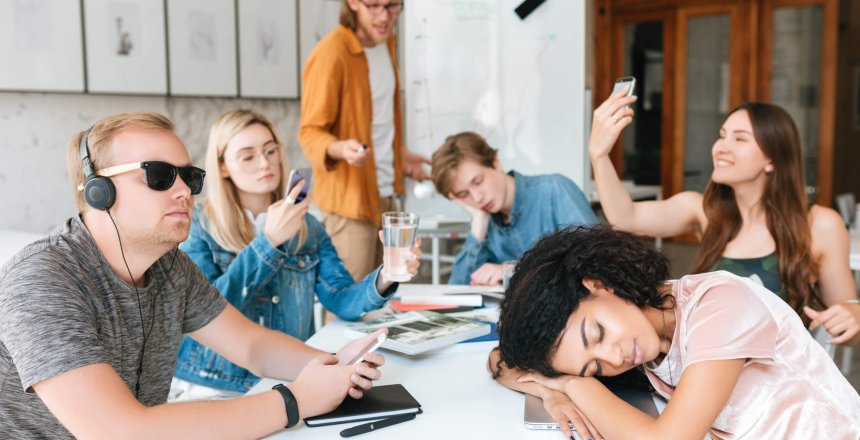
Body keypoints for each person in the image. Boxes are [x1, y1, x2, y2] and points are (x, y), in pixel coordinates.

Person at [0, 112, 386, 439]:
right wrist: (296, 400)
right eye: (159, 175)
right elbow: (118, 431)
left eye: (189, 176)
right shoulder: (42, 278)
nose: (184, 190)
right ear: (98, 191)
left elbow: (252, 346)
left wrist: (338, 365)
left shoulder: (170, 267)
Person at [492, 225, 860, 439]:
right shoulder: (645, 338)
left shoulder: (721, 303)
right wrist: (549, 390)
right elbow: (501, 360)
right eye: (593, 368)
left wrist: (574, 384)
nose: (612, 358)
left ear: (599, 284)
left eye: (598, 334)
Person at [172, 109, 421, 398]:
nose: (264, 163)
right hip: (213, 381)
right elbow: (206, 312)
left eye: (270, 151)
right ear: (223, 166)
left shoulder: (308, 227)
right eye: (248, 156)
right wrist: (269, 242)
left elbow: (341, 299)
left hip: (289, 375)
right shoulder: (199, 226)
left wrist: (386, 276)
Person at [590, 94, 860, 345]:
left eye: (740, 139)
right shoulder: (704, 212)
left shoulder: (819, 225)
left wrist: (853, 315)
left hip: (772, 380)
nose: (721, 147)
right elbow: (625, 217)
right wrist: (599, 154)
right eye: (722, 136)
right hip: (701, 359)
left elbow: (848, 319)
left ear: (772, 160)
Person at [299, 0, 430, 281]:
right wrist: (341, 148)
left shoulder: (387, 44)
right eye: (374, 6)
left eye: (392, 6)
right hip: (351, 203)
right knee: (349, 302)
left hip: (385, 196)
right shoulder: (331, 53)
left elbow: (376, 122)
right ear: (353, 3)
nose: (384, 16)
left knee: (381, 299)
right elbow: (310, 133)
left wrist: (399, 155)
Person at [430, 131, 596, 285]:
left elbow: (593, 261)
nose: (477, 198)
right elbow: (457, 289)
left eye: (478, 181)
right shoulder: (485, 219)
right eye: (464, 194)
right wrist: (478, 223)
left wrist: (513, 270)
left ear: (496, 162)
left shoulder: (555, 190)